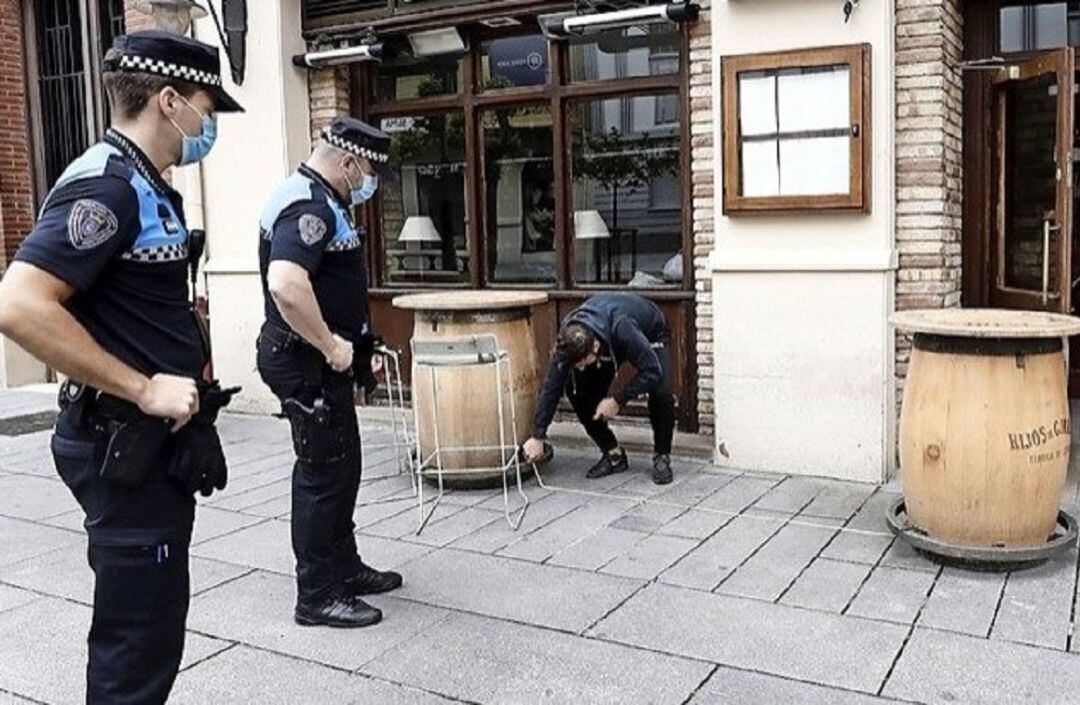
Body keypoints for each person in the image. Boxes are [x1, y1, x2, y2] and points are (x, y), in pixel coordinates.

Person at [0, 31, 243, 702]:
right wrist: (142, 386)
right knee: (135, 642)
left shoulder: (146, 182)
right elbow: (19, 304)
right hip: (120, 441)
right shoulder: (109, 187)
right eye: (206, 107)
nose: (209, 125)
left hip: (150, 447)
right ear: (170, 101)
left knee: (155, 624)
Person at [256, 117, 402, 628]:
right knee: (322, 477)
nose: (372, 184)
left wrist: (361, 350)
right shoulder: (308, 206)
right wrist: (331, 346)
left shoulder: (321, 199)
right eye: (369, 172)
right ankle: (316, 593)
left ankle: (344, 567)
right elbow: (287, 284)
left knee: (344, 468)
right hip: (306, 362)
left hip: (321, 362)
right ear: (348, 162)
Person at [522, 292, 676, 485]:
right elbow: (552, 387)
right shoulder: (568, 339)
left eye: (581, 363)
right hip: (606, 337)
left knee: (661, 390)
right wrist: (538, 436)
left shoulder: (623, 329)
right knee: (576, 391)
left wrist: (618, 400)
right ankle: (613, 454)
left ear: (594, 348)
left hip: (650, 329)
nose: (580, 368)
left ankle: (662, 456)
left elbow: (653, 371)